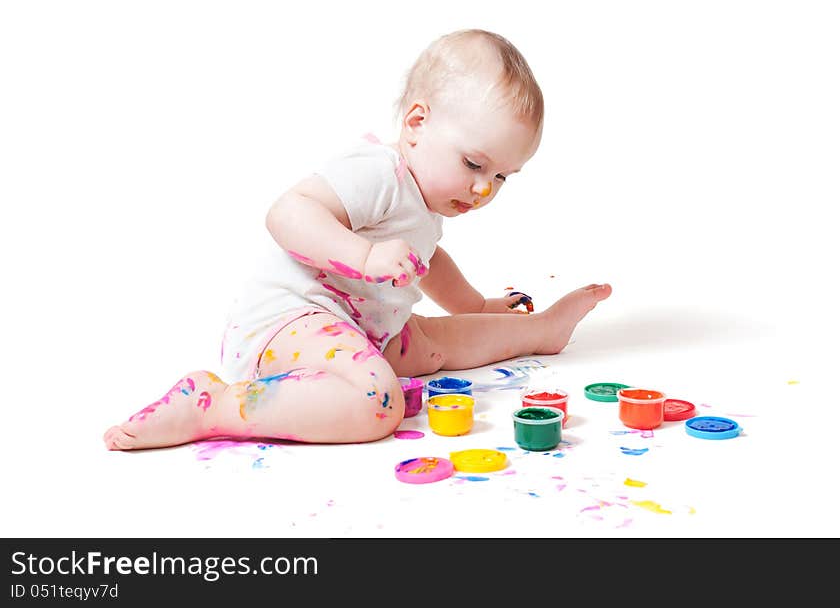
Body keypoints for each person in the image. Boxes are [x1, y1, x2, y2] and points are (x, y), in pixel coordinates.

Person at [103, 28, 612, 451]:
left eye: (503, 177)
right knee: (377, 403)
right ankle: (211, 406)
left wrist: (475, 304)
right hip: (287, 327)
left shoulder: (425, 198)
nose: (483, 189)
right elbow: (287, 213)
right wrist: (363, 256)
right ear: (417, 122)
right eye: (475, 164)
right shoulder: (377, 173)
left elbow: (428, 261)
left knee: (439, 345)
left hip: (361, 328)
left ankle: (541, 330)